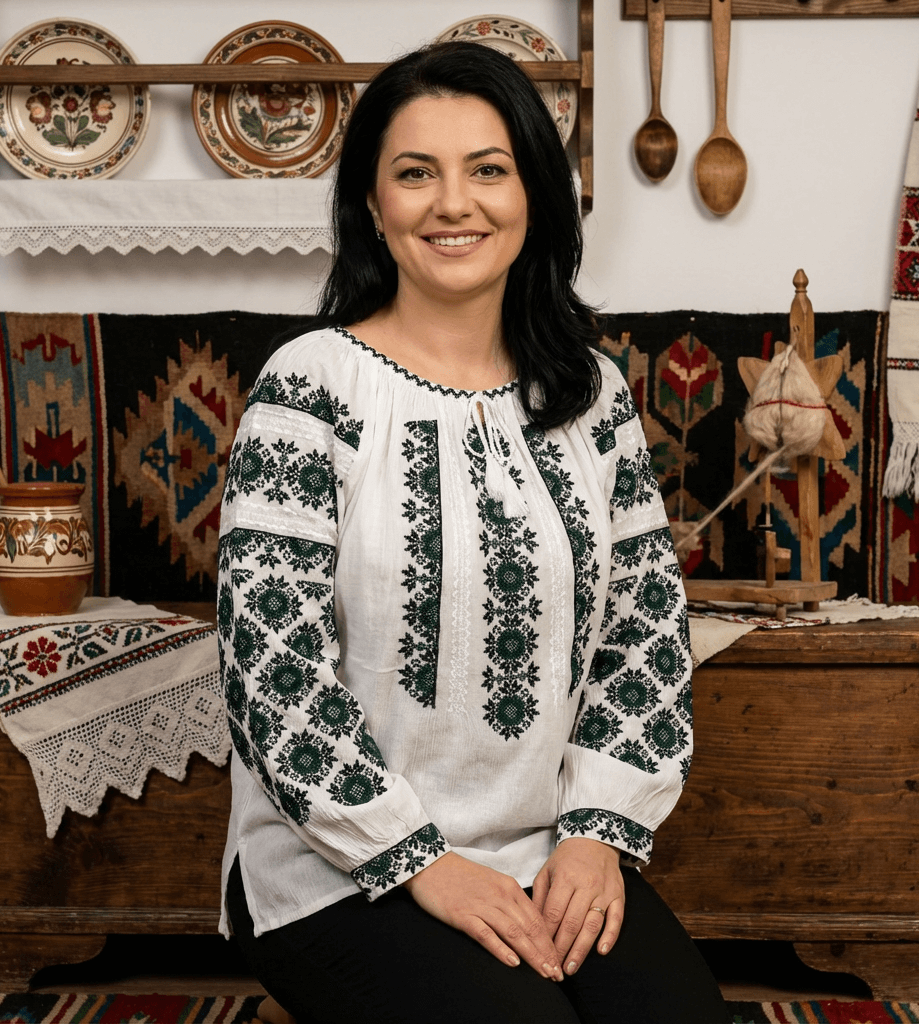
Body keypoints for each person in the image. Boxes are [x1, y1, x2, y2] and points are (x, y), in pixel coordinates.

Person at [217, 40, 730, 1024]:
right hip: (333, 860)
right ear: (373, 206)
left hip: (546, 844)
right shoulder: (311, 386)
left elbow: (644, 637)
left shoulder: (590, 395)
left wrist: (596, 833)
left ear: (533, 194)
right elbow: (271, 671)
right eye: (416, 174)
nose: (454, 204)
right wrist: (420, 863)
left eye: (488, 169)